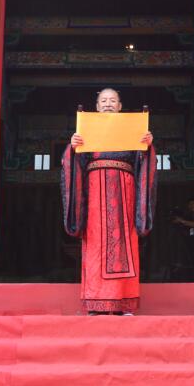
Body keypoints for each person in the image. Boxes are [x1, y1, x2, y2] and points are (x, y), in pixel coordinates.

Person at [61, 88, 156, 315]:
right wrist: (72, 148)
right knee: (95, 244)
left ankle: (124, 303)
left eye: (113, 100)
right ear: (96, 106)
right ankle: (96, 302)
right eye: (103, 100)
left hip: (124, 193)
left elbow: (142, 161)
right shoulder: (87, 129)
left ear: (120, 106)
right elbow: (74, 163)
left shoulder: (132, 129)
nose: (107, 104)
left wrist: (147, 146)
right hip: (95, 196)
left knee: (124, 244)